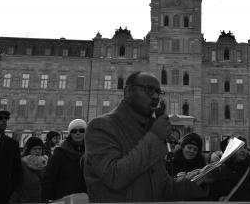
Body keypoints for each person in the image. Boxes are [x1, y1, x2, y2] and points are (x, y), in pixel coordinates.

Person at [84, 71, 208, 202]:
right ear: (127, 91)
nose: (155, 96)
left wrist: (198, 179)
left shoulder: (147, 130)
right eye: (149, 90)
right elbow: (114, 177)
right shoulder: (101, 126)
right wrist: (155, 137)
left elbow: (163, 189)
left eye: (158, 92)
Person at [207, 136, 250, 201]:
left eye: (244, 147)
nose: (243, 150)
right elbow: (212, 196)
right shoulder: (220, 171)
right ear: (230, 150)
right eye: (239, 147)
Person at [42, 119, 87, 202]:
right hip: (64, 198)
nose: (78, 133)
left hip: (85, 198)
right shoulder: (60, 153)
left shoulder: (91, 152)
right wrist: (46, 199)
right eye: (74, 131)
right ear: (70, 134)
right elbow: (48, 178)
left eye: (81, 130)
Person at [11, 137, 48, 203]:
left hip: (42, 200)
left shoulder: (46, 163)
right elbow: (16, 186)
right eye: (34, 149)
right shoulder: (22, 164)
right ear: (29, 150)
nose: (37, 151)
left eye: (40, 149)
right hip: (25, 200)